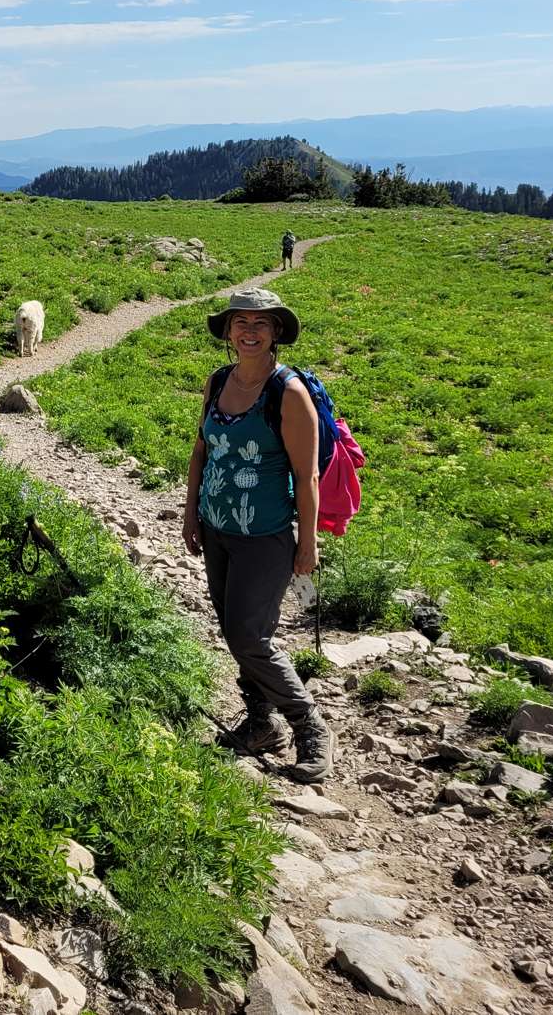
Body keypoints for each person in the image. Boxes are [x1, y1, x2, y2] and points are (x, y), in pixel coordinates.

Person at [182, 287, 333, 782]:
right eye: (241, 322)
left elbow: (307, 476)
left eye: (261, 323)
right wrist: (190, 513)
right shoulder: (217, 381)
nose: (249, 331)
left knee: (250, 636)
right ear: (228, 331)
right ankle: (262, 723)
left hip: (265, 535)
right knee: (235, 631)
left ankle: (309, 725)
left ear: (276, 333)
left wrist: (307, 543)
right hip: (216, 529)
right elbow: (201, 451)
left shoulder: (287, 393)